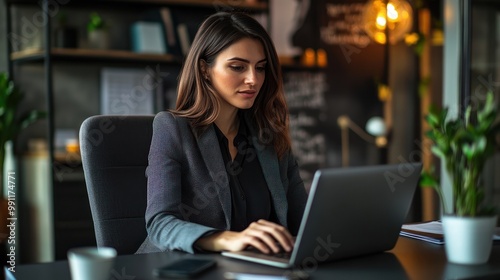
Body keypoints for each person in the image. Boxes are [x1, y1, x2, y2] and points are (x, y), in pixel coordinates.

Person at [136, 12, 308, 255]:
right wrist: (226, 240)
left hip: (253, 270)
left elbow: (304, 221)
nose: (253, 79)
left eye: (260, 68)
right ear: (205, 69)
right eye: (238, 67)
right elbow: (160, 224)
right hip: (180, 268)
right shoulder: (172, 128)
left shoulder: (270, 134)